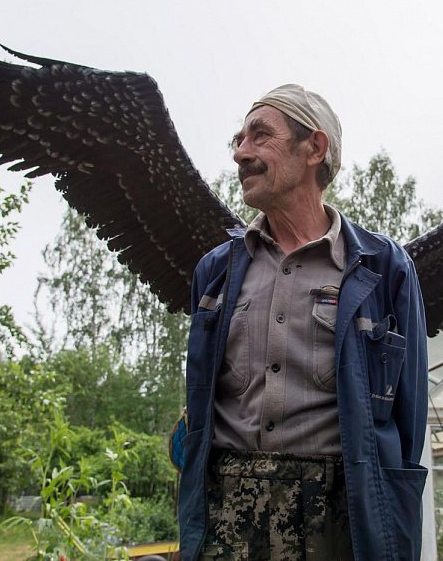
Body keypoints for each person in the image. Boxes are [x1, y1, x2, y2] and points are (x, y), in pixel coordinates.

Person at [176, 84, 429, 561]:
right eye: (238, 139)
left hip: (341, 520)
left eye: (259, 136)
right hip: (227, 514)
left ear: (314, 147)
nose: (240, 153)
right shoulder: (216, 272)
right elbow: (199, 403)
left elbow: (407, 422)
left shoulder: (383, 270)